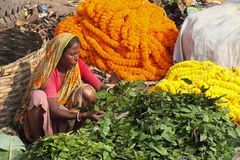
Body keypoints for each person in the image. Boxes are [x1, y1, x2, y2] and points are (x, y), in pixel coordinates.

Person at [14, 33, 109, 142]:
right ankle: (37, 141)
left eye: (78, 53)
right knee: (38, 96)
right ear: (59, 55)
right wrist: (85, 115)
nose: (76, 57)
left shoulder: (77, 65)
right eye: (72, 54)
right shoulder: (49, 74)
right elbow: (54, 111)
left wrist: (112, 89)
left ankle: (74, 135)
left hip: (65, 116)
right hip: (44, 117)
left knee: (87, 92)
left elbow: (99, 85)